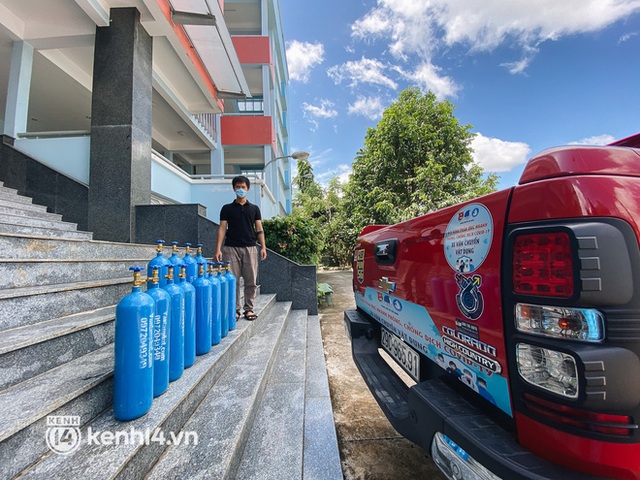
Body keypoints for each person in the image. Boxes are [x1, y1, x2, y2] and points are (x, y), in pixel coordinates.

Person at [215, 175, 267, 321]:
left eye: (243, 187)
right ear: (233, 188)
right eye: (237, 187)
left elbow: (259, 228)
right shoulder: (227, 208)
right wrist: (218, 249)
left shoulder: (254, 209)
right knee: (233, 281)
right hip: (230, 248)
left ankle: (249, 309)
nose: (240, 190)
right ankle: (235, 310)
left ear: (248, 189)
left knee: (251, 281)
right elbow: (222, 228)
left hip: (250, 247)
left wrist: (263, 247)